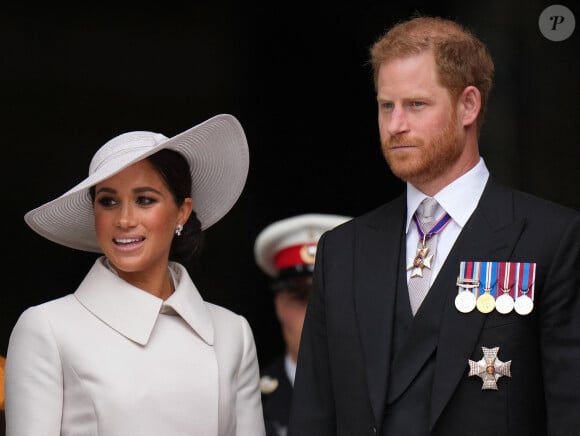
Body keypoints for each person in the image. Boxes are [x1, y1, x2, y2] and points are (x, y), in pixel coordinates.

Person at [288, 15, 580, 436]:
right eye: (386, 105)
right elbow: (313, 418)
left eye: (416, 105)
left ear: (468, 105)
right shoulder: (342, 250)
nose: (395, 125)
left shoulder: (552, 238)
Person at [5, 114, 266, 436]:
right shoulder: (46, 328)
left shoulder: (232, 333)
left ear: (182, 212)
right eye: (109, 201)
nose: (125, 219)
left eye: (144, 200)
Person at [253, 214, 351, 436]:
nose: (314, 313)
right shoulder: (248, 400)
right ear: (279, 305)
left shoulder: (386, 395)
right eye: (299, 296)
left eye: (329, 296)